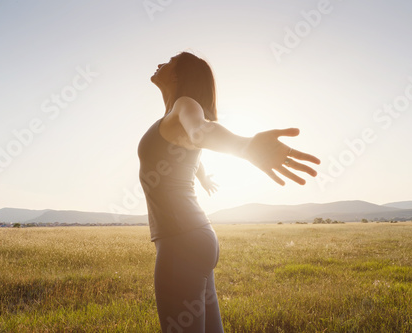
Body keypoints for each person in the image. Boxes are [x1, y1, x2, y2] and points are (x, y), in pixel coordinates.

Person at [137, 51, 320, 333]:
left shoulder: (185, 106)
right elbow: (189, 145)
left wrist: (245, 146)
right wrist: (204, 176)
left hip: (180, 242)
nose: (161, 62)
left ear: (177, 74)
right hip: (196, 238)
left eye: (170, 60)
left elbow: (201, 131)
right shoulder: (174, 116)